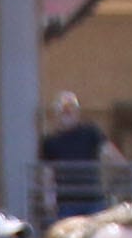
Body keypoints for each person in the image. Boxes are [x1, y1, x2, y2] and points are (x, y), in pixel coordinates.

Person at [38, 90, 109, 218]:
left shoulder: (90, 132)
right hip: (66, 202)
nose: (67, 112)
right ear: (56, 113)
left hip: (93, 198)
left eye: (71, 108)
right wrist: (48, 199)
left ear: (77, 112)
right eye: (63, 109)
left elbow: (108, 153)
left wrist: (125, 174)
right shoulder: (50, 141)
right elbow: (47, 173)